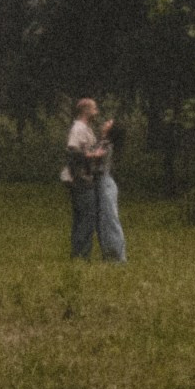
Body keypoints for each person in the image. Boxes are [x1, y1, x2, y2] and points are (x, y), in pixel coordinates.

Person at [62, 96, 107, 259]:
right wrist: (93, 155)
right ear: (86, 111)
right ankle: (82, 254)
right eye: (94, 108)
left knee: (82, 216)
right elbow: (73, 153)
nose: (96, 111)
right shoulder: (78, 129)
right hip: (81, 179)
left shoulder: (87, 129)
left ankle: (78, 252)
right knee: (87, 216)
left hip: (86, 177)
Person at [92, 106, 128, 264]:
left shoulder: (106, 144)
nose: (105, 123)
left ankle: (118, 256)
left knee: (110, 218)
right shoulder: (102, 142)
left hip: (105, 182)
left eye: (109, 123)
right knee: (103, 219)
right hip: (102, 182)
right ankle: (109, 254)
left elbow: (96, 162)